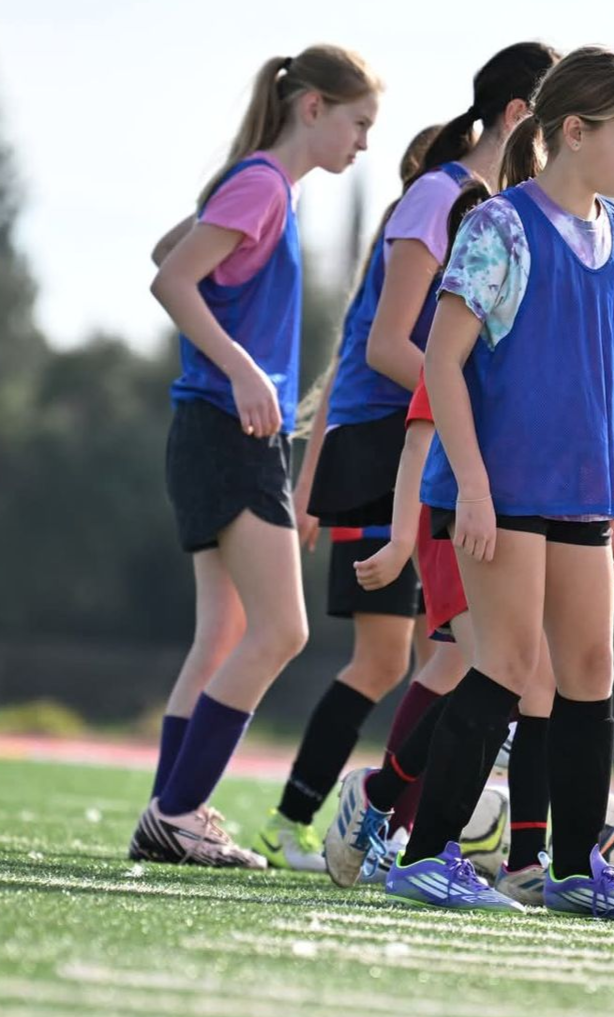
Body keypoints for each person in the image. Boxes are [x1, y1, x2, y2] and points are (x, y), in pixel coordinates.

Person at [327, 47, 614, 923]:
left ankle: (572, 868)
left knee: (590, 670)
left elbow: (607, 364)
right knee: (510, 666)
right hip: (501, 492)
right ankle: (429, 855)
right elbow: (441, 357)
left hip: (584, 496)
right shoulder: (500, 227)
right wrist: (470, 486)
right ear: (572, 132)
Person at [252, 44, 559, 871]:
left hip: (433, 444)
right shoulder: (442, 197)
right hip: (388, 445)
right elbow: (388, 344)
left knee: (451, 653)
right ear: (523, 117)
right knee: (414, 655)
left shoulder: (495, 206)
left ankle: (389, 827)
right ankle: (317, 819)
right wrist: (474, 410)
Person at [132, 46, 381, 868]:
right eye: (358, 123)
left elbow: (175, 247)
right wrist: (240, 366)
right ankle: (178, 809)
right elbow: (172, 278)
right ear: (312, 107)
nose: (364, 143)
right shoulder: (265, 186)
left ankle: (169, 818)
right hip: (224, 427)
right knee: (281, 628)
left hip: (218, 429)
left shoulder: (261, 186)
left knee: (226, 634)